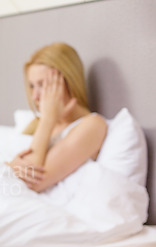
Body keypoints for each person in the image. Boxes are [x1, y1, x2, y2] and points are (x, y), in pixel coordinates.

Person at [7, 42, 108, 192]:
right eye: (32, 86)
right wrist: (11, 166)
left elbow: (32, 182)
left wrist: (48, 118)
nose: (35, 96)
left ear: (67, 81)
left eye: (42, 84)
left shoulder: (93, 125)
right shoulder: (36, 123)